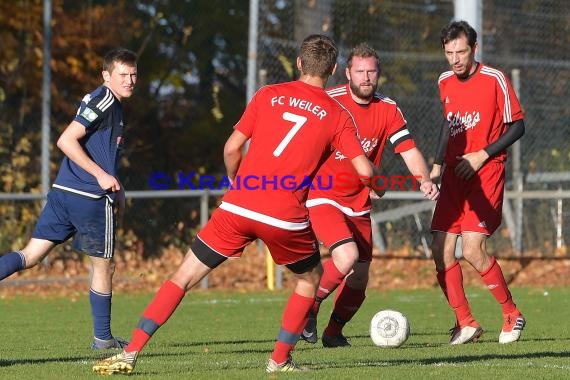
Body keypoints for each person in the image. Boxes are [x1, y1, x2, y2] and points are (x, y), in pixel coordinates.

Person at [92, 34, 376, 375]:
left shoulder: (267, 94)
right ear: (332, 70)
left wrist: (237, 183)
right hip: (284, 217)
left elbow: (231, 148)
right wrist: (378, 184)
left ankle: (130, 352)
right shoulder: (338, 113)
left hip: (238, 206)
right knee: (308, 279)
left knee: (182, 277)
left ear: (299, 63)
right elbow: (363, 170)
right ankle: (280, 360)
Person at [299, 43, 440, 347]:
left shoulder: (387, 108)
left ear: (379, 74)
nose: (365, 77)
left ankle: (333, 333)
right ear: (347, 72)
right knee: (346, 256)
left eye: (371, 72)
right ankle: (309, 308)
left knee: (360, 277)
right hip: (323, 195)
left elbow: (408, 149)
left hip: (359, 201)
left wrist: (424, 180)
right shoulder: (329, 101)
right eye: (359, 71)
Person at [0, 48, 138, 349]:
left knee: (30, 256)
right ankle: (103, 339)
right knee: (104, 266)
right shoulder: (104, 100)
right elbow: (66, 139)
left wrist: (116, 182)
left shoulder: (112, 104)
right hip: (87, 197)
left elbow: (100, 153)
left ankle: (103, 338)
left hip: (64, 192)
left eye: (133, 74)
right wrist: (101, 177)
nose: (129, 80)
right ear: (106, 75)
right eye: (122, 74)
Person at [429, 20, 526, 345]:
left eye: (461, 51)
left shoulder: (495, 79)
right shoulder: (444, 80)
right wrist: (436, 164)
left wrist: (482, 155)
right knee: (439, 250)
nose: (455, 59)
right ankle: (466, 323)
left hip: (486, 173)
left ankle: (512, 313)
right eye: (449, 53)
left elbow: (517, 127)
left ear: (474, 49)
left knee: (471, 249)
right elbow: (447, 124)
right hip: (454, 176)